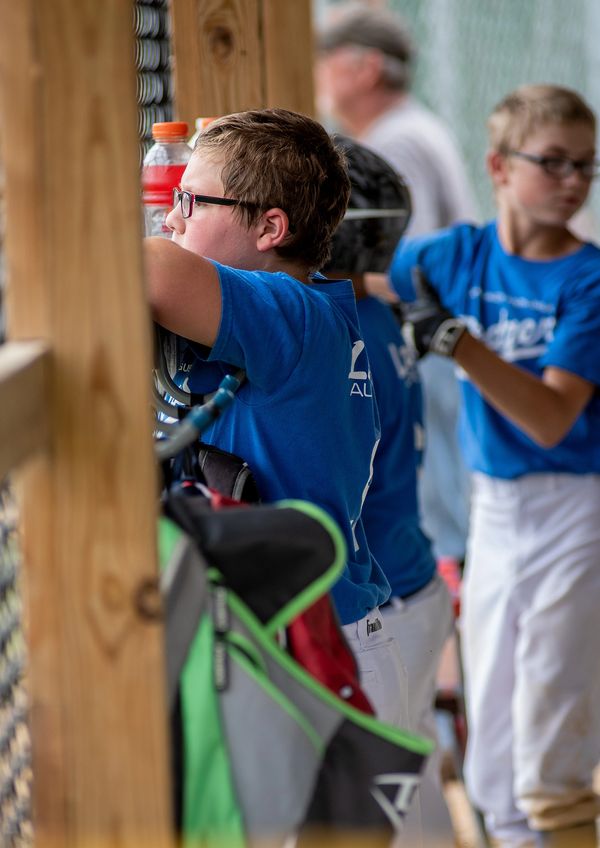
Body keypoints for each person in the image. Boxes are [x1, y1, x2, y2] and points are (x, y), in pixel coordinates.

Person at [145, 107, 405, 726]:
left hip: (320, 654)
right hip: (307, 640)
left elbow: (152, 271)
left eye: (190, 200)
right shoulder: (294, 315)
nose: (171, 217)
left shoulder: (294, 313)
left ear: (270, 227)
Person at [391, 84, 600, 848]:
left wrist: (455, 342)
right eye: (553, 161)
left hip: (575, 505)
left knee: (549, 736)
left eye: (586, 165)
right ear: (499, 167)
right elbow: (368, 278)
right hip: (494, 507)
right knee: (493, 751)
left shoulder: (587, 278)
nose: (573, 181)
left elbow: (549, 418)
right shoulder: (459, 254)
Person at [324, 136, 456, 846]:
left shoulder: (340, 330)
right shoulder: (369, 312)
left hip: (387, 602)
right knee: (413, 793)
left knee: (385, 815)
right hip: (410, 581)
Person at [315, 2, 475, 570]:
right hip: (435, 333)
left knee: (437, 493)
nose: (319, 73)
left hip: (426, 333)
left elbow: (402, 263)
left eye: (327, 59)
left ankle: (451, 584)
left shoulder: (396, 139)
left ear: (366, 68)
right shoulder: (412, 125)